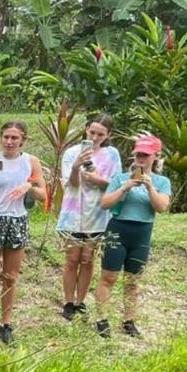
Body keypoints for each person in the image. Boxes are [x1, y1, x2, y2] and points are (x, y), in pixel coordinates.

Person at [0, 120, 46, 344]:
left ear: (23, 139)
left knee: (11, 277)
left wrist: (28, 187)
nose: (9, 141)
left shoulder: (30, 161)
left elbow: (43, 195)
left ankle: (6, 323)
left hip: (17, 220)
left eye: (14, 138)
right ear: (0, 137)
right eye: (6, 137)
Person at [94, 134, 172, 338]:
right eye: (138, 154)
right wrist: (126, 187)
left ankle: (129, 320)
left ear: (156, 156)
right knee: (108, 277)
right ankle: (102, 319)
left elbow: (161, 207)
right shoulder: (120, 178)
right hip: (118, 229)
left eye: (145, 155)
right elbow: (105, 203)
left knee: (133, 281)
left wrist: (149, 186)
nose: (141, 158)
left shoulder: (162, 182)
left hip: (142, 233)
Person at [56, 115, 122, 320]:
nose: (95, 137)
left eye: (100, 134)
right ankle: (68, 301)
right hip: (73, 212)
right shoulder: (72, 153)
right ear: (86, 130)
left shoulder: (112, 155)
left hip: (98, 213)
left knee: (87, 259)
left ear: (108, 135)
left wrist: (97, 179)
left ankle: (80, 300)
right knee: (72, 258)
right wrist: (76, 166)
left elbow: (116, 184)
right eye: (92, 132)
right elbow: (71, 184)